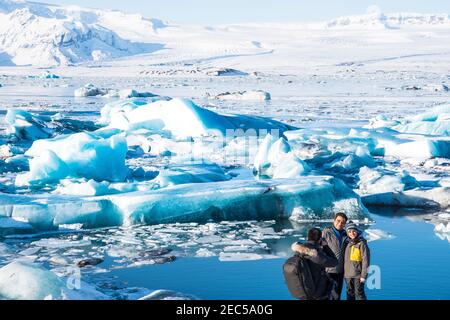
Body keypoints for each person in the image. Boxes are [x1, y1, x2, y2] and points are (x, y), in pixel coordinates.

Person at [291, 228, 338, 300]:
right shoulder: (315, 254)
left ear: (308, 237)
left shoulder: (299, 251)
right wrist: (325, 246)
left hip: (304, 288)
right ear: (319, 239)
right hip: (317, 291)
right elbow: (334, 262)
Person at [322, 212, 348, 299]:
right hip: (328, 271)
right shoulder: (326, 233)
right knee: (327, 296)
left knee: (337, 295)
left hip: (340, 271)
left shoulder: (345, 235)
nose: (340, 223)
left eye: (343, 222)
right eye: (338, 220)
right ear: (334, 220)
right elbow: (318, 249)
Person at [344, 222, 370, 300]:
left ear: (357, 231)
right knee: (349, 294)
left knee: (359, 294)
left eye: (354, 231)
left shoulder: (361, 243)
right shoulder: (347, 243)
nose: (352, 233)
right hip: (348, 275)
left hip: (358, 275)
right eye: (349, 231)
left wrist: (363, 276)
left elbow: (366, 261)